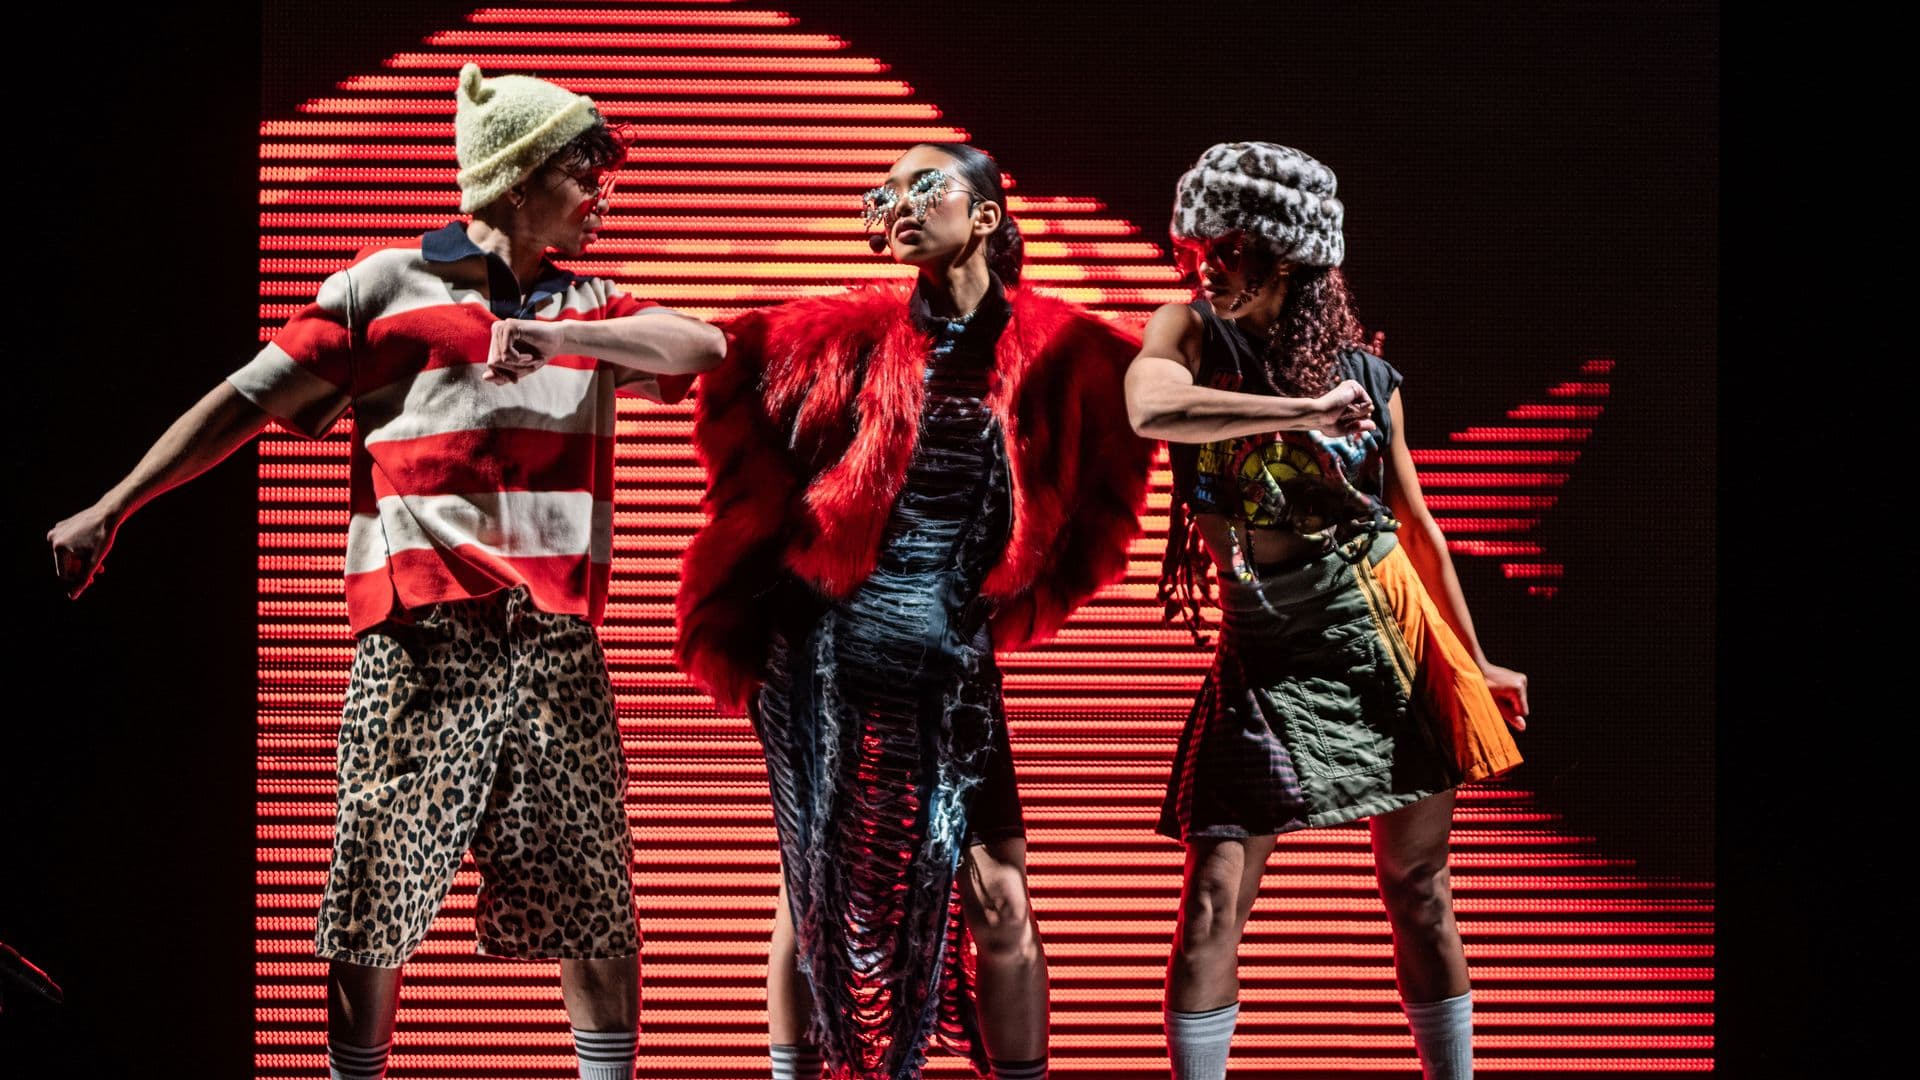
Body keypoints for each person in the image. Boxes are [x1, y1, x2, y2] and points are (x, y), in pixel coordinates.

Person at [45, 65, 725, 1080]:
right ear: (519, 176)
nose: (602, 192)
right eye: (584, 169)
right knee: (371, 895)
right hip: (416, 639)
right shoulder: (384, 286)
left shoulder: (591, 302)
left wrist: (557, 335)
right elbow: (243, 400)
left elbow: (701, 345)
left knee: (592, 897)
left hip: (552, 644)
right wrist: (113, 506)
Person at [674, 143, 1153, 1080]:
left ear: (986, 216)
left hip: (948, 662)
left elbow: (1145, 421)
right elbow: (712, 352)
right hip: (827, 654)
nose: (897, 204)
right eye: (883, 192)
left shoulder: (1070, 351)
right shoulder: (835, 339)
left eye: (924, 187)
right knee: (809, 892)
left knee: (1001, 898)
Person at [1124, 142, 1529, 1080]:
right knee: (1213, 897)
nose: (1207, 267)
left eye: (1232, 250)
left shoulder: (1369, 379)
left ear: (1292, 257)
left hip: (1380, 630)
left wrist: (1474, 660)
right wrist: (1303, 415)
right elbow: (1152, 410)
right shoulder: (1191, 333)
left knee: (1419, 887)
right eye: (1197, 248)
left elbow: (1415, 528)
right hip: (1264, 647)